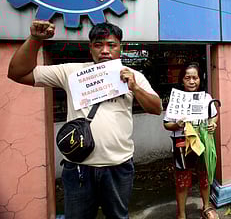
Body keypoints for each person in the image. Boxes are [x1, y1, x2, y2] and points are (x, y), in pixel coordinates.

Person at [7, 20, 162, 219]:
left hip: (118, 167)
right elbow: (17, 73)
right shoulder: (72, 73)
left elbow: (156, 108)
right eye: (98, 45)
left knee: (118, 216)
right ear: (91, 48)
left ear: (120, 48)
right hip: (78, 168)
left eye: (111, 45)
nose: (105, 50)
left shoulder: (134, 76)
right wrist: (35, 39)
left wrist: (135, 88)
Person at [163, 63, 219, 219]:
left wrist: (213, 123)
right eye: (188, 78)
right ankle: (181, 214)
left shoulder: (206, 98)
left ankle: (206, 207)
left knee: (204, 175)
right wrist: (176, 125)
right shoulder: (176, 100)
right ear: (182, 80)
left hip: (202, 142)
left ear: (200, 79)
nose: (192, 81)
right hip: (181, 143)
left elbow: (213, 115)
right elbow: (166, 123)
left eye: (195, 77)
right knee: (182, 178)